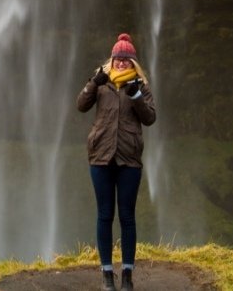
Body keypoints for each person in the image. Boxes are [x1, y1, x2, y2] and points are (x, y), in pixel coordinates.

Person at [77, 33, 156, 290]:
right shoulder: (101, 83)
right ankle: (107, 275)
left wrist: (135, 97)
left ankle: (128, 276)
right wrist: (93, 82)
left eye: (126, 59)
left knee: (127, 216)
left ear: (133, 62)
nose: (121, 62)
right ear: (111, 60)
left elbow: (150, 118)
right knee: (104, 215)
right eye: (118, 58)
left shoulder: (141, 86)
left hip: (128, 159)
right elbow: (81, 105)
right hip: (100, 156)